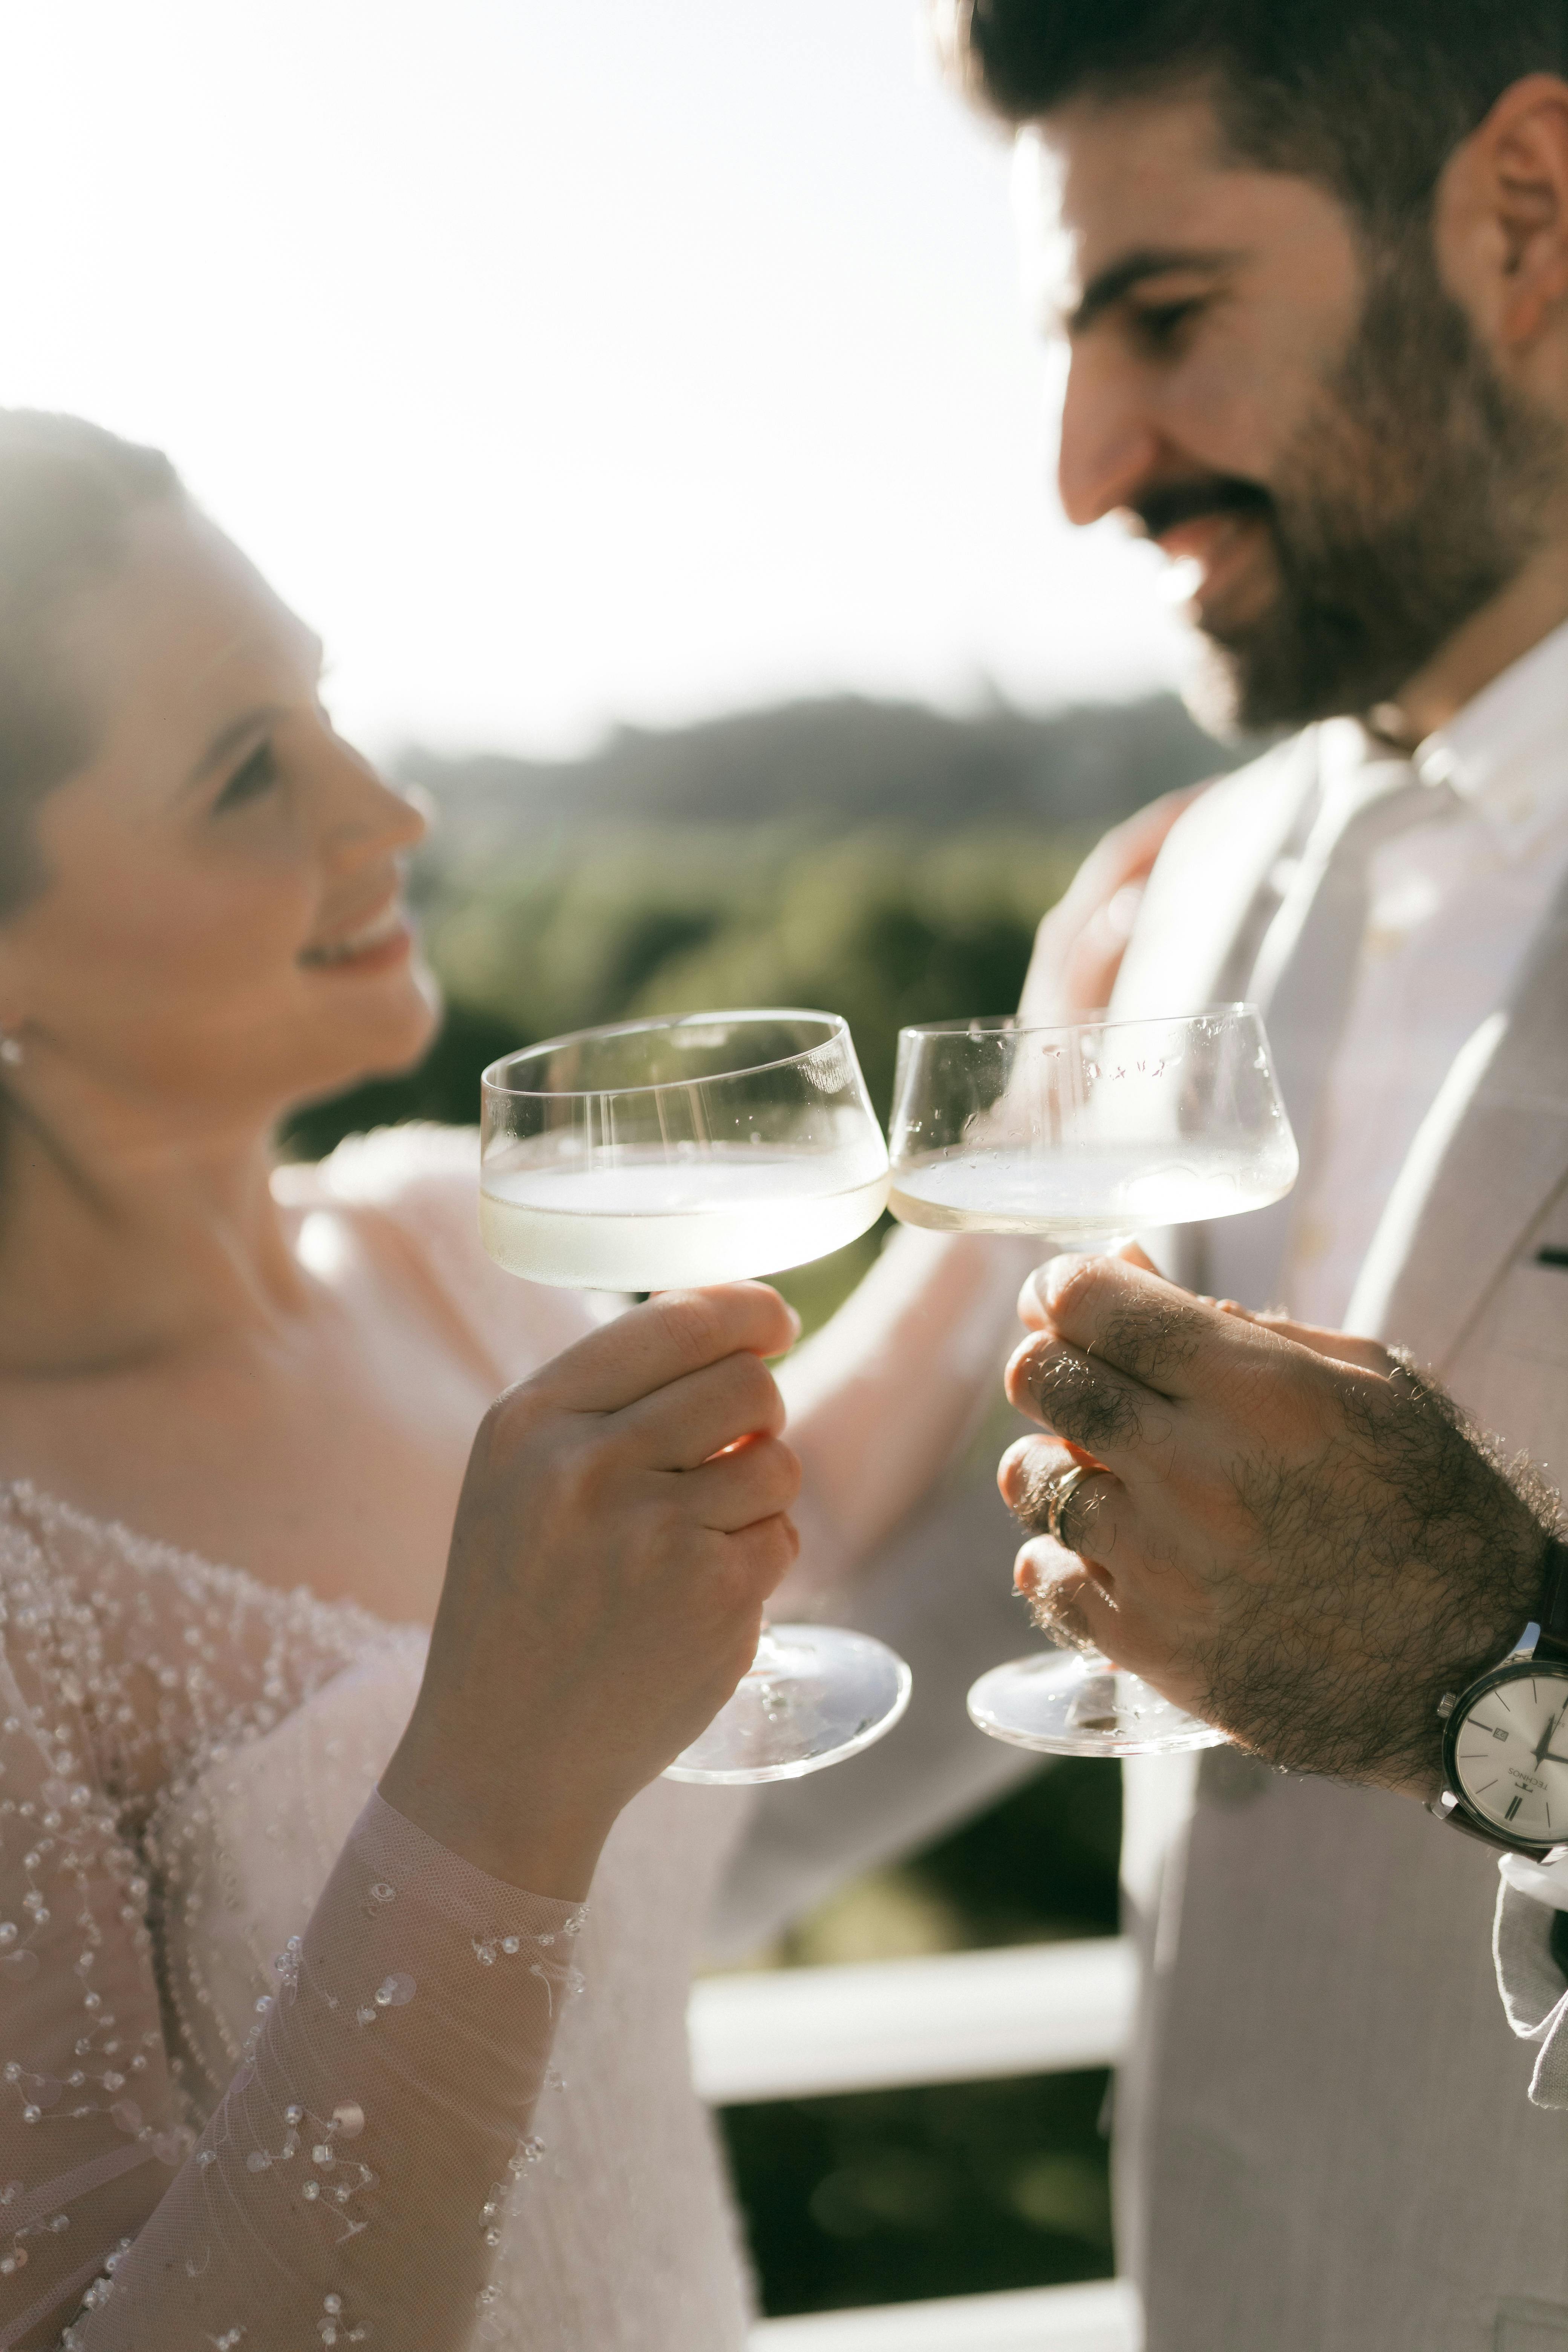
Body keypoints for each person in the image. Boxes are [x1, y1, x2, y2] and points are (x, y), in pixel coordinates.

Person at [0, 410, 1046, 2349]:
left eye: (325, 709)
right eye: (249, 772)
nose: (385, 812)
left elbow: (800, 1494)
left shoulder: (444, 1244)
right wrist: (502, 1771)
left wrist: (1034, 1143)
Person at [921, 3, 1568, 2346]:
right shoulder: (1175, 895)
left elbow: (1422, 1649)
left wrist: (1500, 1669)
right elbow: (941, 1573)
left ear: (1521, 217)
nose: (1092, 467)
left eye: (1166, 318)